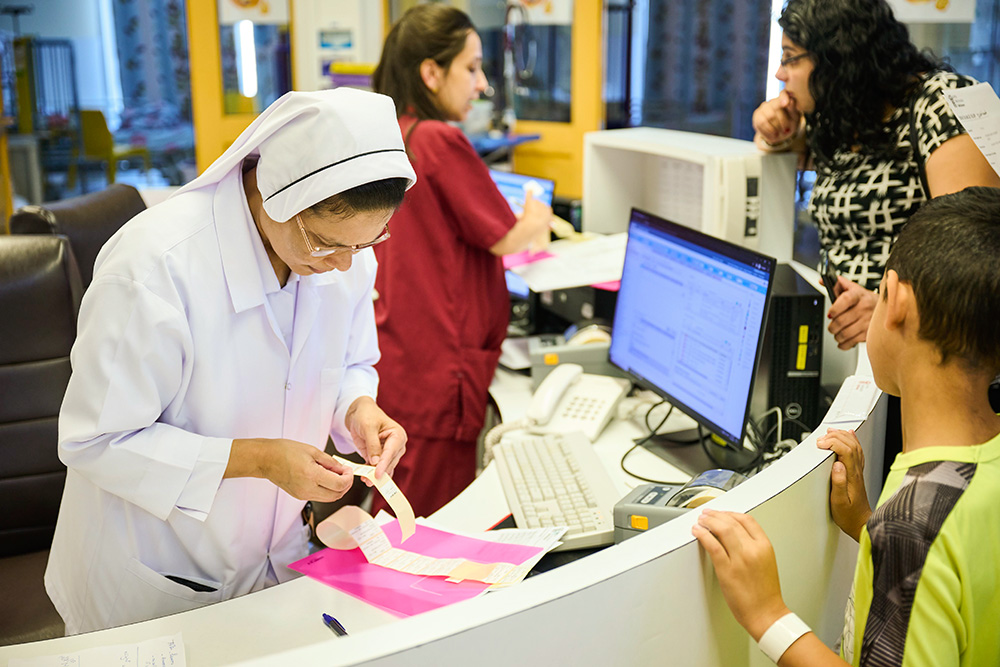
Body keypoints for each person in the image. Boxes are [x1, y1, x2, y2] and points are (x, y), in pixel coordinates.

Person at [44, 88, 417, 634]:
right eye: (325, 244)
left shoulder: (346, 255)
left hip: (277, 557)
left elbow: (353, 360)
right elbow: (95, 440)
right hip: (160, 571)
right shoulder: (156, 267)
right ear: (275, 196)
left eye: (365, 244)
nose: (343, 265)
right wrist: (262, 460)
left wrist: (358, 408)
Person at [693, 187, 1000, 666]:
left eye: (877, 292)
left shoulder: (912, 523)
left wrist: (768, 616)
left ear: (895, 301)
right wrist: (867, 525)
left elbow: (927, 544)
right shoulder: (943, 491)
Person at [369, 5, 553, 517]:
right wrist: (538, 214)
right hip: (439, 370)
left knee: (401, 509)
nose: (481, 84)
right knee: (428, 533)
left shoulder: (399, 134)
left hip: (406, 357)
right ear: (431, 73)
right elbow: (507, 237)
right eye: (471, 68)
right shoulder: (439, 139)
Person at [753, 0, 999, 352]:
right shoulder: (845, 113)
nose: (780, 74)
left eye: (790, 58)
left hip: (921, 344)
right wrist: (774, 128)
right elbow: (772, 144)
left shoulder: (941, 104)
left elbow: (973, 264)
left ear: (837, 56)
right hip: (848, 345)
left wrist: (889, 308)